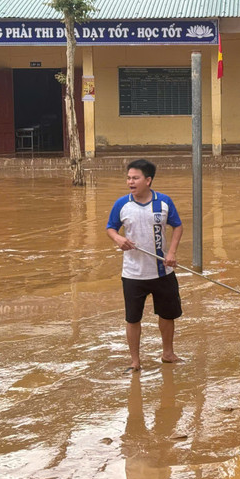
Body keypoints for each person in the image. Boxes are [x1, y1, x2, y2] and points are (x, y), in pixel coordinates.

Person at [106, 159, 184, 372]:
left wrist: (172, 252)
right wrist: (118, 239)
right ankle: (135, 361)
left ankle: (168, 354)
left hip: (162, 271)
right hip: (133, 274)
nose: (130, 182)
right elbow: (111, 228)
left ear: (148, 180)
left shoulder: (164, 202)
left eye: (135, 178)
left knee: (168, 315)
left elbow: (177, 227)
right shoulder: (122, 204)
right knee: (133, 318)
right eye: (129, 178)